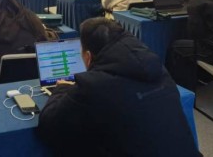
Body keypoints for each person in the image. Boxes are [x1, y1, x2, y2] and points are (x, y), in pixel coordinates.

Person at [37, 18, 199, 157]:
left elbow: (49, 125)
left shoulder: (93, 86)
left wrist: (62, 89)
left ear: (88, 57)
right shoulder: (158, 69)